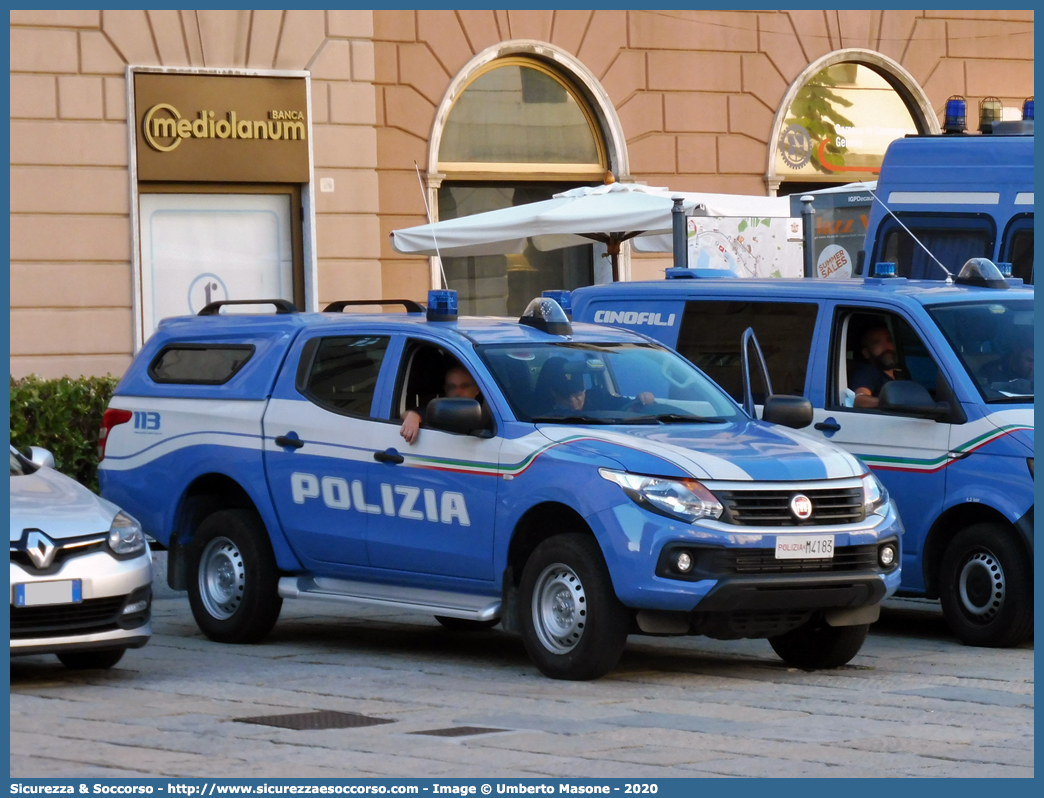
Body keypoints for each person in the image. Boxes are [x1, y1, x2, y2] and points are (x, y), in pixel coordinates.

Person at [399, 364, 480, 445]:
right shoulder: (440, 409)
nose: (458, 392)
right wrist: (412, 417)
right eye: (452, 387)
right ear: (445, 390)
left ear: (477, 389)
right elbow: (412, 414)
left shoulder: (489, 414)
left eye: (464, 386)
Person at [547, 366, 654, 414]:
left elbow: (625, 404)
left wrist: (643, 398)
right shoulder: (540, 410)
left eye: (577, 395)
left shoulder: (599, 397)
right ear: (554, 393)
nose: (572, 401)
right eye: (565, 397)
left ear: (584, 388)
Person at [850, 323, 905, 409]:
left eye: (889, 339)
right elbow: (860, 400)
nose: (886, 346)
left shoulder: (901, 373)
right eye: (876, 342)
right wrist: (897, 403)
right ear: (866, 353)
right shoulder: (868, 371)